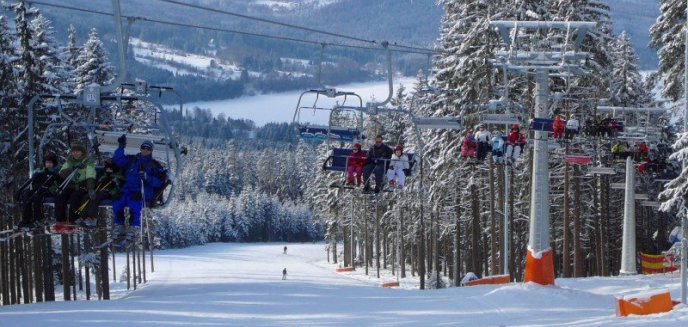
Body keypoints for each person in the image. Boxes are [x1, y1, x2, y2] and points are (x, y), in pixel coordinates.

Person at [111, 135, 163, 246]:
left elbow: (159, 182)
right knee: (117, 200)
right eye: (143, 147)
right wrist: (121, 147)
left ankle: (133, 227)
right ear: (140, 148)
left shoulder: (154, 165)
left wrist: (147, 177)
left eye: (148, 149)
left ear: (151, 151)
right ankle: (119, 226)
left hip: (142, 189)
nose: (145, 150)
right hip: (126, 188)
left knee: (134, 202)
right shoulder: (132, 159)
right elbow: (117, 160)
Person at [54, 144, 97, 233]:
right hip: (70, 185)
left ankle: (72, 221)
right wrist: (73, 168)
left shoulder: (88, 163)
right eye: (73, 151)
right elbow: (62, 174)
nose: (75, 153)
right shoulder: (69, 162)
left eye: (77, 151)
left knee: (75, 196)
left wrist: (90, 188)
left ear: (82, 153)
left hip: (82, 185)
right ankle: (61, 220)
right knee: (60, 195)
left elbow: (90, 176)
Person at [15, 153, 61, 230]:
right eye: (47, 162)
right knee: (26, 194)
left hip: (47, 191)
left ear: (54, 163)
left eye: (50, 162)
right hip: (38, 189)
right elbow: (35, 183)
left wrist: (50, 188)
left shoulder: (56, 173)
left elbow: (58, 185)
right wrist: (35, 176)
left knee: (37, 196)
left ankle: (39, 219)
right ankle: (26, 219)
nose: (48, 164)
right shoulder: (42, 172)